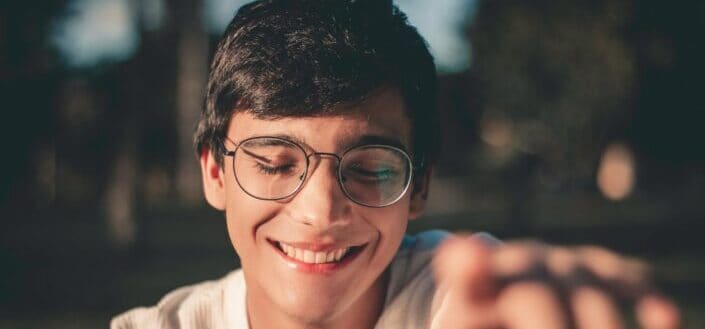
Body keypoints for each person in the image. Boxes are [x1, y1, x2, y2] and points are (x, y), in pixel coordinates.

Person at [112, 0, 681, 328]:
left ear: (420, 187)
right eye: (275, 163)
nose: (321, 212)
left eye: (370, 169)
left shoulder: (462, 298)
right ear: (215, 171)